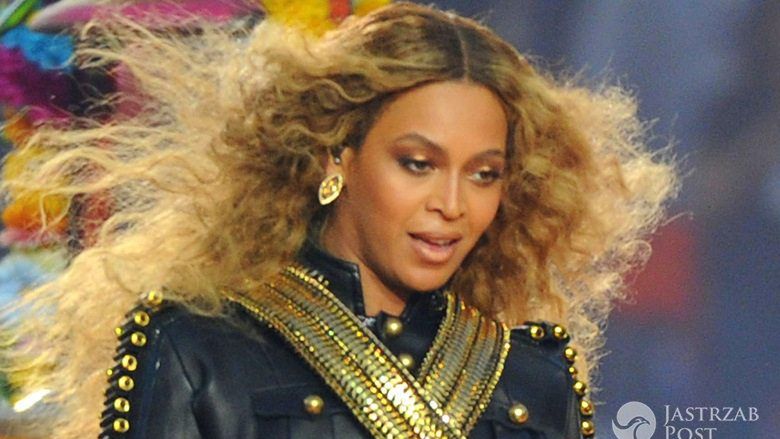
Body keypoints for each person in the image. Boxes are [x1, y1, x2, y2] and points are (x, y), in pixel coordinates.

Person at [2, 2, 677, 438]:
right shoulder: (195, 350)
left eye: (483, 174)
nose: (452, 204)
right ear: (337, 156)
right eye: (417, 163)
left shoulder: (534, 375)